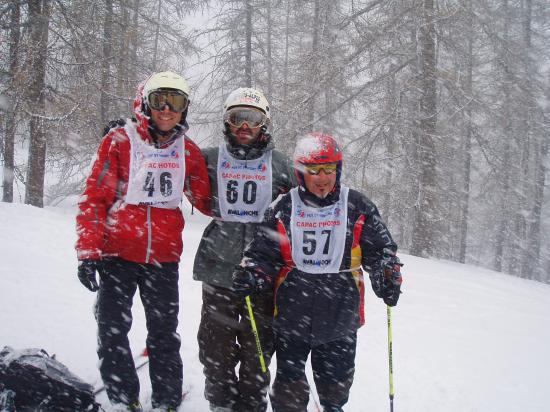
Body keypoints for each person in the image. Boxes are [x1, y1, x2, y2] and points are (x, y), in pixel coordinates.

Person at [232, 132, 403, 412]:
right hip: (291, 318)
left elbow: (381, 249)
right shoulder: (282, 208)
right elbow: (262, 255)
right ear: (300, 173)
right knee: (288, 390)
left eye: (329, 170)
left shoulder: (357, 207)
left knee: (335, 389)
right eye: (314, 171)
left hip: (340, 319)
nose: (322, 178)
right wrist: (254, 274)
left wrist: (387, 273)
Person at [75, 71, 211, 412]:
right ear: (145, 104)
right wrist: (89, 250)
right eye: (159, 101)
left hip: (162, 259)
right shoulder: (120, 141)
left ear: (184, 109)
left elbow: (206, 199)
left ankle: (166, 399)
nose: (166, 109)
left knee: (165, 333)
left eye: (175, 102)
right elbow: (95, 198)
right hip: (117, 254)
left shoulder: (188, 150)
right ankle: (122, 397)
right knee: (112, 330)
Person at [192, 87, 296, 411]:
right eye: (237, 119)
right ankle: (221, 402)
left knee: (258, 351)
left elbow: (306, 205)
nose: (244, 127)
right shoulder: (211, 158)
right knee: (215, 347)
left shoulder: (280, 164)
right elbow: (173, 161)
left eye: (252, 119)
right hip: (219, 267)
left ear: (264, 123)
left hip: (263, 274)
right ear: (227, 122)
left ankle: (251, 404)